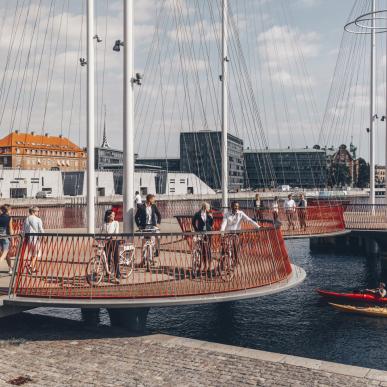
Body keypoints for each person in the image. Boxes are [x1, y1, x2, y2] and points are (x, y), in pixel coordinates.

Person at [192, 203, 214, 272]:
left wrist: (211, 218)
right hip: (201, 233)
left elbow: (211, 223)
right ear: (205, 207)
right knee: (203, 250)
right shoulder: (197, 214)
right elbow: (193, 222)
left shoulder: (209, 214)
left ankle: (210, 265)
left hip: (208, 233)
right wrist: (196, 230)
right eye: (208, 207)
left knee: (208, 249)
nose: (209, 209)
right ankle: (205, 265)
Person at [101, 210, 120, 284]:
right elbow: (100, 233)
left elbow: (116, 233)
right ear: (108, 216)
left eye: (114, 215)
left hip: (114, 242)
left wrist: (113, 237)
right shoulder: (104, 224)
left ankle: (117, 274)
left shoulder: (116, 223)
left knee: (116, 259)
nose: (114, 216)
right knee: (107, 258)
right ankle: (107, 274)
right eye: (112, 215)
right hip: (106, 242)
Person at [23, 206, 44, 274]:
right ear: (33, 212)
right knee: (37, 254)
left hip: (28, 238)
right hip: (35, 238)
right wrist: (43, 236)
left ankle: (34, 268)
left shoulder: (26, 219)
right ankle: (30, 266)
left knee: (32, 253)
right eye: (37, 211)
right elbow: (41, 229)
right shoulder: (38, 219)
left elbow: (24, 229)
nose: (38, 212)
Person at [0, 205, 13, 275]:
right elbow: (11, 229)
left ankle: (10, 267)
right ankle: (10, 268)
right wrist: (12, 239)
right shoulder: (9, 218)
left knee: (6, 254)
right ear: (8, 210)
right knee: (5, 254)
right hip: (6, 237)